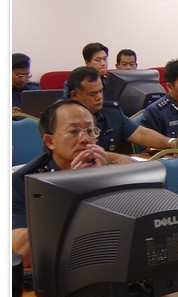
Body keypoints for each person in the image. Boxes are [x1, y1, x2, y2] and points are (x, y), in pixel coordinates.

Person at [12, 100, 109, 267]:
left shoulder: (109, 172)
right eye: (74, 131)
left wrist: (105, 180)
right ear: (50, 141)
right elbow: (21, 254)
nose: (85, 139)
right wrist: (71, 191)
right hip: (60, 269)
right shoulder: (23, 182)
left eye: (90, 131)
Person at [67, 67, 173, 160]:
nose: (99, 97)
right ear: (75, 95)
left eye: (101, 91)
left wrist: (170, 142)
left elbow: (141, 134)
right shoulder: (63, 118)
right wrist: (112, 157)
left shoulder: (111, 112)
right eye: (93, 94)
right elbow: (72, 153)